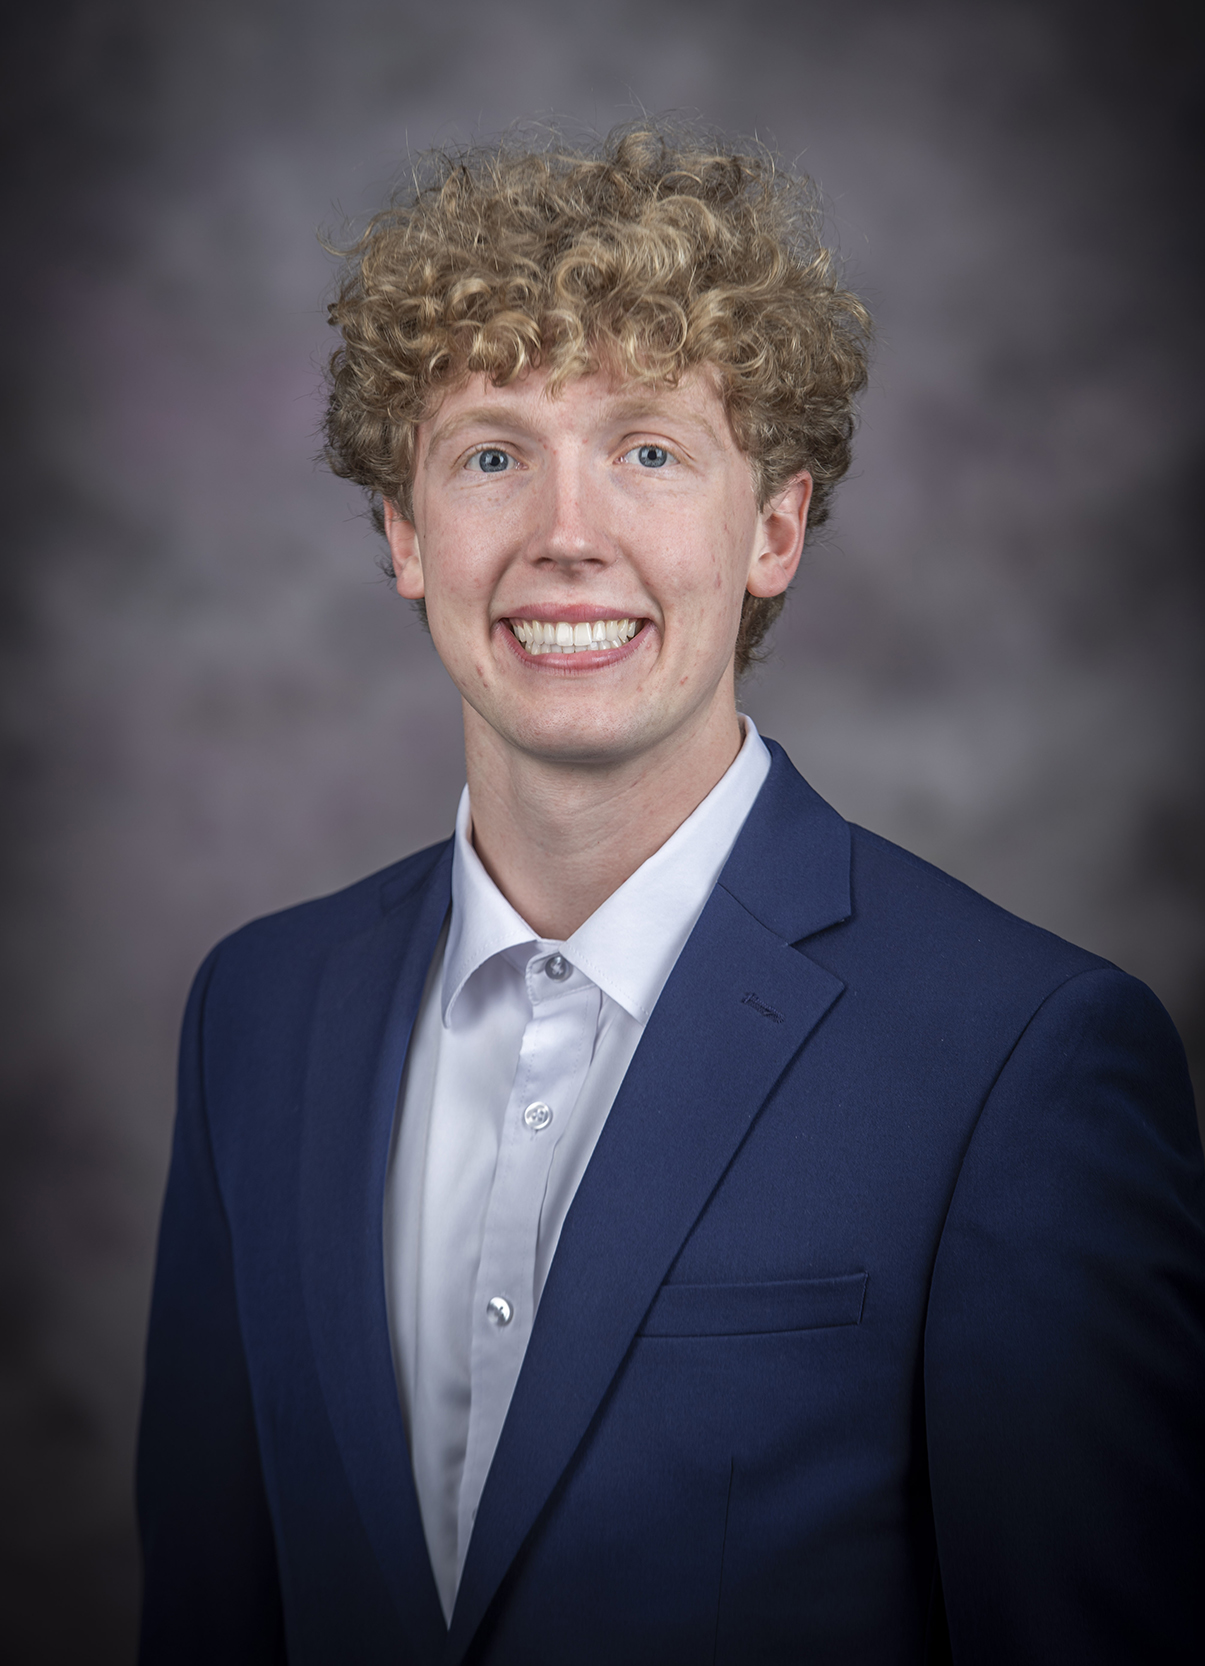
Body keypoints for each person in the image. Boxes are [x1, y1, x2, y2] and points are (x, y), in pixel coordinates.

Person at [136, 125, 1205, 1664]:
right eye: (491, 453)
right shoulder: (257, 1014)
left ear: (770, 529)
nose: (566, 533)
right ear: (402, 534)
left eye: (648, 449)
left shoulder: (1019, 1059)